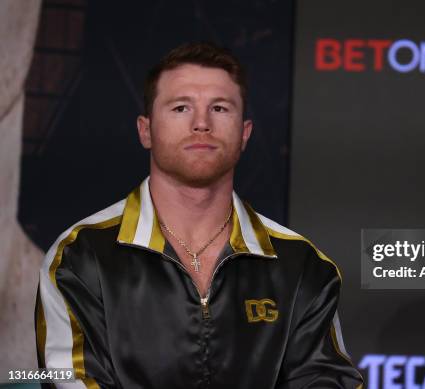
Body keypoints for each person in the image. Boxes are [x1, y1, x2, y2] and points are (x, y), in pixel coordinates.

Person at [35, 42, 363, 388]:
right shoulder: (79, 256)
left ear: (245, 133)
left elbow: (327, 381)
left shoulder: (302, 265)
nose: (201, 124)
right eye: (180, 108)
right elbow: (69, 381)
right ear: (145, 130)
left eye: (220, 108)